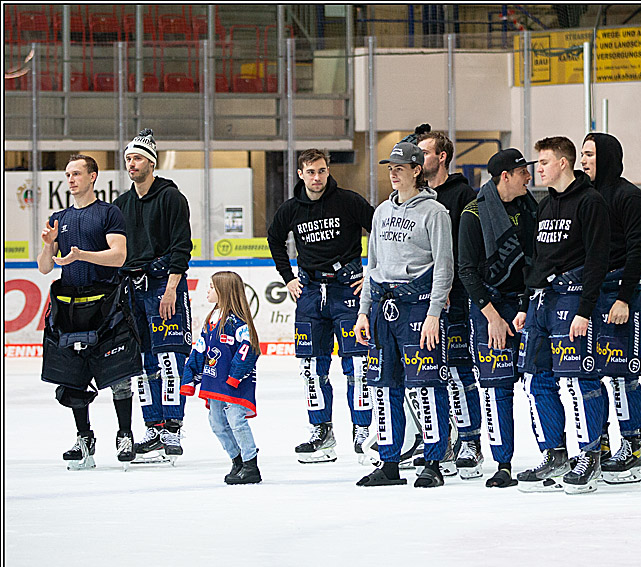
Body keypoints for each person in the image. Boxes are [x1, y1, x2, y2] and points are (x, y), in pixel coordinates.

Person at [513, 136, 611, 494]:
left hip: (573, 303)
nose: (537, 169)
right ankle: (555, 453)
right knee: (536, 379)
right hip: (541, 303)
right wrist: (525, 304)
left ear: (564, 164)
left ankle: (589, 455)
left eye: (543, 162)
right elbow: (537, 261)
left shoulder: (590, 202)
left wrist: (585, 310)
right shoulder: (544, 205)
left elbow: (598, 260)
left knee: (579, 381)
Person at [354, 141, 454, 488]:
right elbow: (373, 265)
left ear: (416, 170)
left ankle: (433, 461)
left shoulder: (435, 213)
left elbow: (444, 267)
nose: (393, 174)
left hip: (418, 306)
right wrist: (363, 311)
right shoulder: (381, 212)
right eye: (390, 168)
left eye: (400, 168)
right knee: (383, 387)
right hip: (384, 307)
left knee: (426, 387)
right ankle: (389, 461)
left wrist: (433, 314)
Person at [266, 148, 375, 463]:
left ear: (328, 171)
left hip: (347, 292)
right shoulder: (290, 209)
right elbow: (274, 239)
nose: (317, 177)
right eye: (311, 171)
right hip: (310, 293)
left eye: (322, 171)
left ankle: (363, 430)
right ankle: (321, 432)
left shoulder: (349, 201)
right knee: (312, 369)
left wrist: (372, 274)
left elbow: (380, 232)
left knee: (357, 367)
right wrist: (287, 277)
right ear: (300, 174)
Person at [38, 154, 140, 470]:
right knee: (73, 374)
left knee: (119, 372)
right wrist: (48, 245)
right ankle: (84, 438)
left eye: (77, 173)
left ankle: (125, 434)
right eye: (67, 174)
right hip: (70, 305)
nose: (70, 179)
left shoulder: (109, 213)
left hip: (106, 302)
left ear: (93, 176)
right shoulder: (58, 217)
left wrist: (84, 255)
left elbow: (119, 256)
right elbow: (44, 268)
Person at [458, 148, 538, 487]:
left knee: (539, 383)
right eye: (523, 172)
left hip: (527, 304)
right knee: (496, 388)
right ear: (505, 176)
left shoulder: (531, 208)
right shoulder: (473, 214)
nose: (529, 177)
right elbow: (467, 271)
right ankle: (502, 462)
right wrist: (491, 317)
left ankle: (554, 454)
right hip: (490, 308)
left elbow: (537, 259)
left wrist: (524, 305)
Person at [115, 128, 193, 464]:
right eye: (128, 158)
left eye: (136, 158)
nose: (131, 164)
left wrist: (172, 288)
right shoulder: (121, 204)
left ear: (151, 162)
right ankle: (153, 426)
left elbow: (181, 247)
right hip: (132, 288)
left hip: (164, 283)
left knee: (170, 359)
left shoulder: (172, 198)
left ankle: (172, 427)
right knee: (143, 362)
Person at [579, 132, 641, 484]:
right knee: (588, 373)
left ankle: (632, 446)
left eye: (590, 154)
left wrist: (623, 297)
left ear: (606, 156)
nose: (583, 161)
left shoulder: (630, 197)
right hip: (591, 292)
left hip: (622, 291)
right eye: (581, 154)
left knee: (624, 377)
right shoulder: (585, 197)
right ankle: (600, 441)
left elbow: (639, 250)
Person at [418, 130, 482, 477]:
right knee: (430, 376)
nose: (419, 159)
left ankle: (470, 439)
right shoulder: (414, 199)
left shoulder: (463, 196)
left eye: (425, 152)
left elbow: (468, 249)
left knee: (459, 372)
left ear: (442, 157)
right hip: (419, 302)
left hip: (455, 299)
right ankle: (441, 440)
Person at [180, 272, 261, 485]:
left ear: (223, 291)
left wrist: (235, 377)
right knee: (216, 422)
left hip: (234, 384)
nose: (208, 291)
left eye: (212, 287)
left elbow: (249, 349)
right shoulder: (211, 320)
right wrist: (190, 379)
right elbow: (199, 350)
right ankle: (237, 461)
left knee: (236, 421)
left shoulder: (238, 322)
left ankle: (251, 464)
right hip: (214, 381)